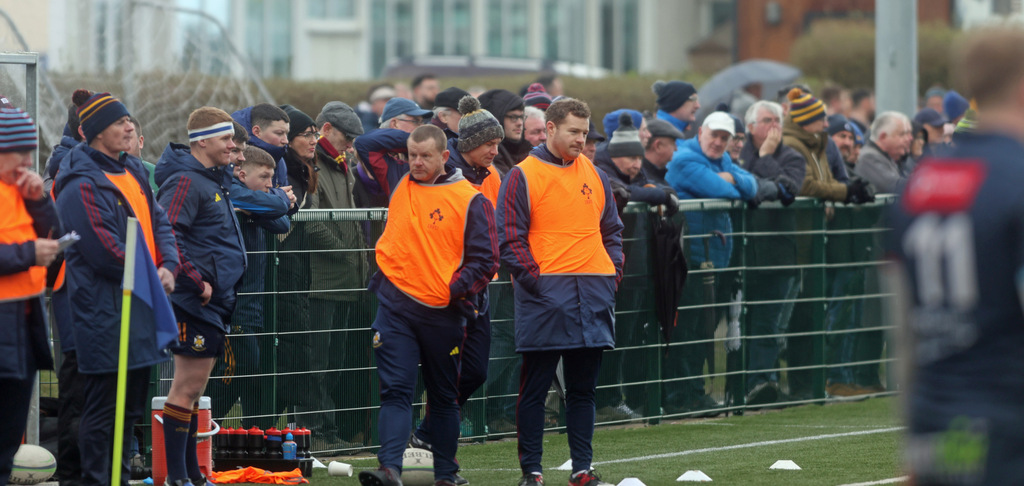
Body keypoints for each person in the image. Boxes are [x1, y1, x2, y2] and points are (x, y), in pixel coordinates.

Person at [891, 25, 1024, 484]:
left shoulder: (918, 183)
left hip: (937, 426)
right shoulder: (1017, 177)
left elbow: (903, 327)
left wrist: (913, 435)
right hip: (1008, 427)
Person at [359, 124, 498, 486]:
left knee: (443, 396)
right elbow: (366, 145)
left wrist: (452, 290)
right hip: (395, 305)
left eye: (425, 156)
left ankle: (446, 475)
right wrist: (411, 131)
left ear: (445, 156)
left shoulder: (471, 199)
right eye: (411, 154)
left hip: (443, 312)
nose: (415, 163)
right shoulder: (399, 178)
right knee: (396, 390)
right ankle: (389, 468)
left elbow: (486, 261)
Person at [54, 91, 178, 486]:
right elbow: (104, 251)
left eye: (129, 120)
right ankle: (95, 479)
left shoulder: (135, 170)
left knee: (130, 411)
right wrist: (150, 271)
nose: (130, 127)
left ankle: (118, 478)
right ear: (92, 133)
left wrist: (169, 265)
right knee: (104, 409)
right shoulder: (79, 184)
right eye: (119, 122)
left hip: (141, 303)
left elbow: (160, 223)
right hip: (104, 312)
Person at [498, 98, 623, 486]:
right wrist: (537, 283)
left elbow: (613, 232)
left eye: (585, 133)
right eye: (574, 131)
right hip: (546, 298)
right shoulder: (523, 175)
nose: (581, 140)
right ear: (550, 128)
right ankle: (532, 473)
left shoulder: (596, 175)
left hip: (593, 293)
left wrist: (612, 274)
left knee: (583, 391)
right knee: (534, 389)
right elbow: (510, 239)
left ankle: (581, 470)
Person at [154, 107, 246, 486]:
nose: (232, 147)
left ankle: (192, 473)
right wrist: (197, 281)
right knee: (186, 387)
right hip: (195, 302)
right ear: (202, 141)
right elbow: (168, 233)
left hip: (214, 301)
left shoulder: (213, 180)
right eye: (226, 140)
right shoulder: (185, 182)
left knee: (195, 391)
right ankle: (177, 477)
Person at [664, 112, 756, 415]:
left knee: (703, 330)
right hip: (688, 261)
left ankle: (694, 392)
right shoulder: (684, 159)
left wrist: (732, 178)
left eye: (724, 138)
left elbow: (751, 187)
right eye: (714, 135)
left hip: (712, 261)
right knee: (688, 329)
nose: (718, 142)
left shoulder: (722, 162)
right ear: (700, 131)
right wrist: (731, 182)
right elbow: (725, 191)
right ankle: (684, 395)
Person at [209, 145, 291, 426]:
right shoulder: (229, 194)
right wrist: (275, 200)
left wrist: (258, 209)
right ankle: (200, 428)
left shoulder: (255, 202)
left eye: (273, 179)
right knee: (237, 367)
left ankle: (227, 432)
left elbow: (281, 222)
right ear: (241, 174)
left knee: (249, 368)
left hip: (253, 303)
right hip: (235, 301)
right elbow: (281, 206)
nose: (271, 184)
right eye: (265, 177)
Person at [0, 106, 59, 486]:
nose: (27, 159)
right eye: (18, 150)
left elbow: (55, 239)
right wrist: (27, 254)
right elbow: (28, 250)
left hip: (20, 328)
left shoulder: (19, 189)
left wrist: (39, 201)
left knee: (7, 441)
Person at [307, 101, 371, 448]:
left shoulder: (341, 164)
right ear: (327, 128)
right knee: (318, 363)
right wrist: (347, 253)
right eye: (347, 137)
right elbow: (310, 221)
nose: (351, 145)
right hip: (323, 281)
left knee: (333, 363)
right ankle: (316, 433)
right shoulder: (315, 162)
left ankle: (328, 432)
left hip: (345, 279)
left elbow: (352, 220)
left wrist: (355, 258)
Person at [738, 101, 805, 406]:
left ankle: (763, 384)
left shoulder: (791, 155)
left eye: (778, 120)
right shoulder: (737, 152)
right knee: (736, 323)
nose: (773, 126)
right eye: (767, 120)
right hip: (741, 253)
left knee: (767, 323)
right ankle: (736, 386)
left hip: (778, 255)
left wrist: (765, 158)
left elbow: (789, 190)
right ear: (750, 126)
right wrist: (762, 185)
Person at [231, 103, 292, 190]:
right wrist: (279, 197)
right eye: (279, 133)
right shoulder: (236, 156)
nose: (286, 140)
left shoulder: (280, 161)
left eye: (286, 134)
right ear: (257, 131)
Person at [854, 111, 914, 194]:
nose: (909, 139)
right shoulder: (868, 157)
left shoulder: (887, 156)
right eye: (902, 134)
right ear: (883, 137)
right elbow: (894, 186)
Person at [478, 89, 530, 177]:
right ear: (495, 119)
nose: (520, 123)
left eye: (521, 117)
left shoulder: (528, 150)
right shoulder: (489, 157)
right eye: (513, 117)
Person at [640, 119, 685, 188]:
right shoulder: (642, 179)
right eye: (673, 143)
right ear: (658, 146)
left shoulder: (651, 176)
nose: (676, 149)